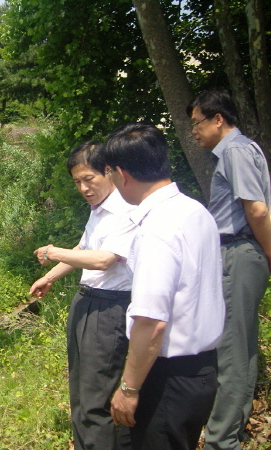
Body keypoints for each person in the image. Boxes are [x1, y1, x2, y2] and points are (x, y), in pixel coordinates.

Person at [105, 123, 225, 450]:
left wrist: (129, 389)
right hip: (201, 370)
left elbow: (151, 320)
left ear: (122, 175)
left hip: (168, 378)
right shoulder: (195, 211)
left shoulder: (157, 228)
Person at [30, 141, 135, 450]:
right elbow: (83, 249)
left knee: (94, 401)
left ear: (109, 171)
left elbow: (104, 259)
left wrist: (52, 252)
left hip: (109, 308)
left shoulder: (125, 209)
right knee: (80, 392)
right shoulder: (99, 210)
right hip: (87, 302)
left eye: (89, 179)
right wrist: (49, 277)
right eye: (77, 182)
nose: (83, 188)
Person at [186, 90, 271, 450]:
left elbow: (257, 210)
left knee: (233, 352)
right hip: (238, 251)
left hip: (238, 250)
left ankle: (221, 442)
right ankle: (227, 435)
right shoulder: (241, 150)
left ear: (218, 119)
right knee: (240, 348)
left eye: (197, 123)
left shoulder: (235, 151)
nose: (194, 131)